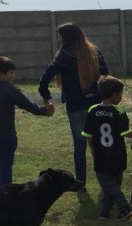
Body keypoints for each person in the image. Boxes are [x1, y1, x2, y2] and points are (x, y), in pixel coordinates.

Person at [0, 56, 54, 190]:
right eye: (11, 73)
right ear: (1, 73)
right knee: (5, 165)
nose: (13, 76)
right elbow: (28, 105)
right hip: (5, 135)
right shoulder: (9, 89)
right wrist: (45, 111)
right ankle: (5, 196)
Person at [38, 22, 109, 188]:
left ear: (65, 38)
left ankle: (81, 183)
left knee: (79, 146)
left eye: (60, 36)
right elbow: (106, 76)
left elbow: (44, 80)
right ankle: (106, 180)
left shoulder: (63, 56)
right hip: (96, 103)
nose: (58, 39)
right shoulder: (94, 52)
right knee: (98, 144)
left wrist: (46, 99)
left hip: (75, 105)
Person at [82, 76, 132, 220]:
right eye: (121, 94)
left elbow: (88, 134)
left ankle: (122, 207)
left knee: (107, 184)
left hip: (101, 154)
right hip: (118, 154)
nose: (121, 97)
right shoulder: (118, 111)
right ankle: (108, 211)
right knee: (113, 184)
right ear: (114, 95)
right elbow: (125, 132)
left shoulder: (92, 110)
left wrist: (92, 149)